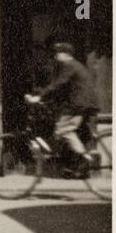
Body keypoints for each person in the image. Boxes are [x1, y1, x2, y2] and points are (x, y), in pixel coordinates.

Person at [26, 42, 100, 177]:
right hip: (85, 102)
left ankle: (85, 158)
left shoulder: (69, 65)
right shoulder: (76, 65)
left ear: (66, 54)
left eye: (58, 53)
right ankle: (74, 166)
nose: (56, 56)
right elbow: (64, 88)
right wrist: (47, 98)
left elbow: (58, 84)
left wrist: (39, 96)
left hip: (79, 103)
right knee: (70, 133)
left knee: (63, 129)